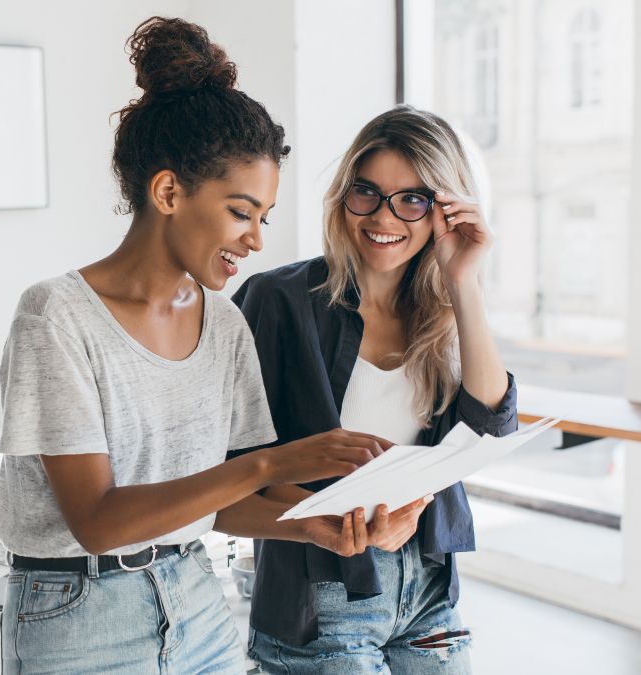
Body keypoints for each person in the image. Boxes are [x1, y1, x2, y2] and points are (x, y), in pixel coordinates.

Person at [0, 17, 391, 674]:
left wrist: (313, 521)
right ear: (169, 191)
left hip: (196, 604)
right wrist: (272, 464)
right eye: (242, 212)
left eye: (264, 217)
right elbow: (98, 520)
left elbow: (220, 504)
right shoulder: (56, 317)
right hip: (76, 612)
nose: (257, 239)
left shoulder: (225, 323)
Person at [228, 106, 519, 674]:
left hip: (430, 593)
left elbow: (490, 427)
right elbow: (232, 471)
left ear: (444, 210)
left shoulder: (444, 311)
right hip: (322, 598)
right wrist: (338, 524)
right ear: (344, 197)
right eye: (367, 192)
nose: (384, 216)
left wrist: (465, 282)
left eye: (413, 199)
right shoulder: (277, 301)